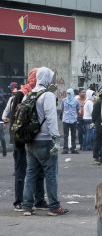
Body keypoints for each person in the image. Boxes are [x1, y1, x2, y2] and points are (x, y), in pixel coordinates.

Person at [22, 67, 69, 216]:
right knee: (51, 173)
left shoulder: (28, 94)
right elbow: (51, 118)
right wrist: (56, 139)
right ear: (47, 78)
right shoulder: (47, 95)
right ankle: (54, 206)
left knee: (30, 173)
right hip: (45, 140)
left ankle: (27, 206)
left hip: (30, 140)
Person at [2, 69, 48, 211]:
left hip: (33, 137)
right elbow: (16, 119)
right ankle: (19, 201)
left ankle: (39, 199)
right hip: (21, 138)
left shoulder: (37, 93)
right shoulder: (21, 94)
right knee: (21, 170)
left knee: (38, 170)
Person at [60, 88, 80, 155]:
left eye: (69, 93)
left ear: (71, 93)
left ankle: (73, 148)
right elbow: (62, 109)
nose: (67, 94)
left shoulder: (76, 101)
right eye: (67, 93)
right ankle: (65, 148)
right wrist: (65, 115)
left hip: (73, 119)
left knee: (73, 135)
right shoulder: (64, 100)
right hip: (65, 120)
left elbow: (78, 109)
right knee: (65, 135)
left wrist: (74, 115)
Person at [91, 87, 102, 165]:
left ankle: (98, 157)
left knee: (99, 140)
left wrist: (95, 122)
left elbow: (93, 115)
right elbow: (94, 115)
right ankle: (99, 157)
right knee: (100, 141)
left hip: (99, 123)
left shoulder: (98, 102)